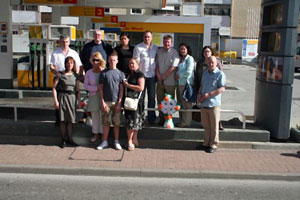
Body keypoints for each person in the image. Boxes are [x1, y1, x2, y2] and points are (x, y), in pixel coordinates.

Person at [50, 35, 82, 126]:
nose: (65, 43)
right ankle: (59, 121)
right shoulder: (55, 53)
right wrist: (56, 73)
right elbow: (51, 66)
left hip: (71, 77)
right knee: (59, 102)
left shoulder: (74, 53)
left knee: (70, 101)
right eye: (63, 41)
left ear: (69, 42)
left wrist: (76, 76)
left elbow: (78, 66)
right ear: (60, 42)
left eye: (67, 42)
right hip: (60, 77)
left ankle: (70, 121)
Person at [198, 56, 226, 153]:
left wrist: (209, 94)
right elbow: (201, 85)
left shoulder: (220, 74)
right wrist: (199, 94)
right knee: (206, 126)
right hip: (204, 103)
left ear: (216, 63)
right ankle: (206, 143)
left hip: (214, 104)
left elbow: (222, 88)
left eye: (212, 62)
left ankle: (213, 144)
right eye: (209, 62)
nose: (210, 64)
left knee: (214, 126)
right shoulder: (205, 73)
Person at [97, 50, 125, 150]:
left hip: (116, 102)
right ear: (108, 60)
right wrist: (102, 102)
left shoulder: (120, 74)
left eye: (114, 60)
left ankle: (116, 141)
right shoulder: (103, 73)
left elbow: (121, 89)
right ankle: (104, 141)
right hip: (106, 102)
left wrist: (119, 102)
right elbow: (100, 88)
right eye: (111, 60)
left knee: (116, 123)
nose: (112, 62)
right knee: (106, 122)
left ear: (117, 61)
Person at [52, 56, 81, 148]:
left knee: (70, 120)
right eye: (68, 63)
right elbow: (54, 88)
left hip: (72, 98)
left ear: (73, 64)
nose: (70, 64)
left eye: (71, 63)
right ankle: (63, 139)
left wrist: (79, 101)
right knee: (62, 120)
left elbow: (78, 90)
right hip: (62, 98)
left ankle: (70, 138)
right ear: (65, 64)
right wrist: (56, 101)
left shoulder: (76, 76)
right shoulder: (60, 75)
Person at [194, 46, 224, 130]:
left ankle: (218, 123)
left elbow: (221, 73)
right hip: (202, 86)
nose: (206, 53)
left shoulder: (217, 61)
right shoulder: (200, 62)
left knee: (214, 108)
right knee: (203, 106)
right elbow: (197, 75)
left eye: (208, 51)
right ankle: (204, 123)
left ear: (211, 53)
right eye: (205, 52)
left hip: (214, 88)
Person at [133, 30, 158, 124]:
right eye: (145, 37)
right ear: (143, 37)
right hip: (142, 77)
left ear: (151, 38)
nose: (147, 38)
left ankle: (151, 118)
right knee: (141, 98)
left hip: (152, 77)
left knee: (152, 98)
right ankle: (141, 117)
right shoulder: (138, 48)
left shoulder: (155, 48)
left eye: (148, 37)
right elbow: (136, 62)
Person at [155, 35, 180, 125]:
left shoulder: (175, 53)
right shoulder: (159, 52)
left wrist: (164, 76)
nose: (166, 44)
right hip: (160, 81)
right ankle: (161, 118)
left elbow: (173, 67)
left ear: (171, 43)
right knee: (160, 100)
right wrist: (158, 75)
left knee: (169, 102)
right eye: (165, 42)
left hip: (170, 81)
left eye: (168, 42)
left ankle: (168, 119)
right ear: (163, 42)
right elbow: (156, 65)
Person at [123, 58, 145, 151]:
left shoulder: (140, 74)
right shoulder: (128, 74)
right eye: (130, 63)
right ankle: (132, 140)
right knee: (131, 122)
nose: (131, 65)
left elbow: (141, 87)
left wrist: (128, 85)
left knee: (134, 122)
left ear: (137, 65)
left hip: (136, 102)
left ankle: (131, 140)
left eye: (133, 63)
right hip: (128, 101)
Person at [84, 52, 106, 143]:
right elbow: (86, 86)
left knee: (102, 116)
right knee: (95, 116)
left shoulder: (104, 71)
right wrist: (96, 88)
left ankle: (103, 134)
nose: (95, 62)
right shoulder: (89, 72)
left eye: (97, 60)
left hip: (103, 97)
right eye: (94, 60)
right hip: (93, 96)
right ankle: (96, 134)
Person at [175, 43, 195, 128]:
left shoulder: (189, 59)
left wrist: (179, 75)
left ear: (187, 50)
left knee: (186, 104)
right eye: (181, 49)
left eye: (184, 49)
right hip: (179, 84)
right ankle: (181, 121)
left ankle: (187, 122)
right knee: (180, 104)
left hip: (186, 84)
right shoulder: (179, 59)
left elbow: (188, 71)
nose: (182, 50)